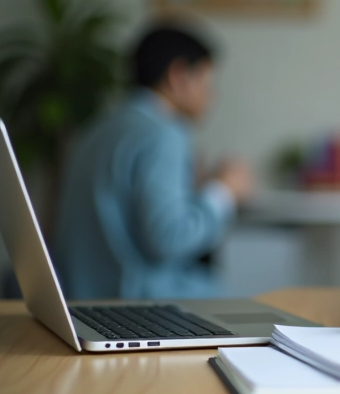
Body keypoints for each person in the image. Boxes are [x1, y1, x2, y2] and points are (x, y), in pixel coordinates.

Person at [54, 20, 253, 299]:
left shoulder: (97, 127)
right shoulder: (164, 133)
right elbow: (168, 240)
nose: (211, 96)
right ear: (178, 75)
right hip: (138, 306)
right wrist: (223, 192)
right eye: (207, 82)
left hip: (82, 302)